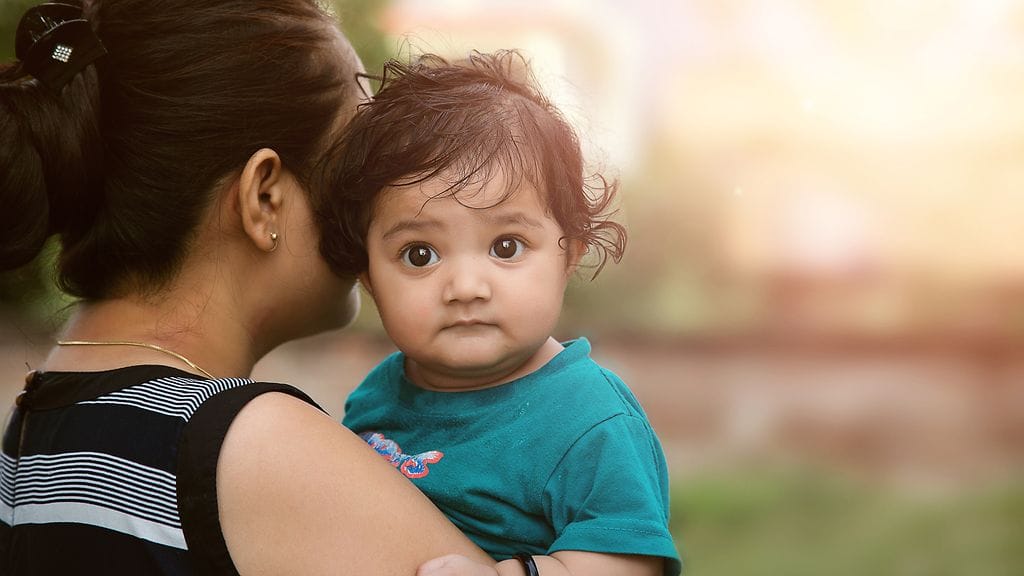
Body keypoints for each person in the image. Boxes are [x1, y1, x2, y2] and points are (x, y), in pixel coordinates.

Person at [0, 1, 495, 574]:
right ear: (264, 197)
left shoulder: (38, 420)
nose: (372, 204)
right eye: (353, 169)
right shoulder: (252, 446)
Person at [323, 51, 683, 576]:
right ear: (368, 278)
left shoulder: (590, 421)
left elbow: (627, 564)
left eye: (507, 246)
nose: (466, 287)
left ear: (571, 250)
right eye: (419, 255)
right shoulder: (377, 397)